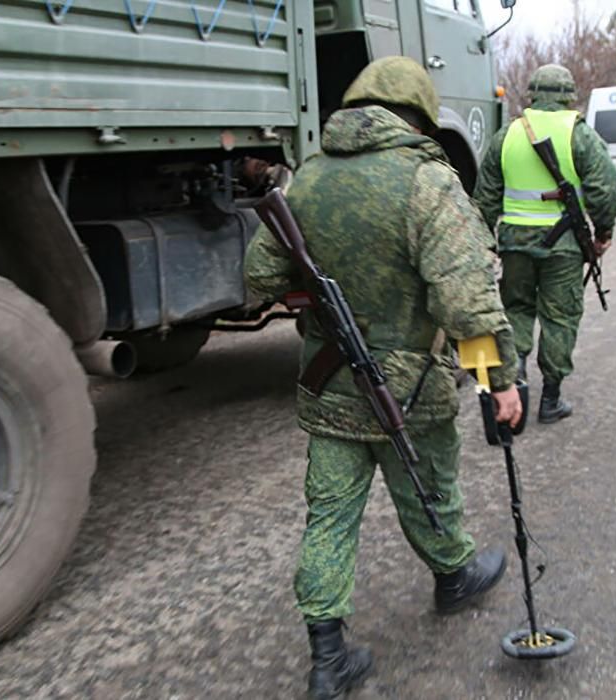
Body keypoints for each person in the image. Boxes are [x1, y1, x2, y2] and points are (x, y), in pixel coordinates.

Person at [243, 56, 523, 700]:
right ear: (421, 115)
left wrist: (308, 296)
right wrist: (497, 381)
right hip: (410, 387)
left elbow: (259, 279)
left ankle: (327, 655)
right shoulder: (429, 182)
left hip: (330, 384)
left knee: (330, 515)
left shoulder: (309, 179)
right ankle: (454, 574)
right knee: (425, 483)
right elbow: (466, 304)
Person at [472, 63, 616, 422]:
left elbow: (484, 198)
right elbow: (605, 190)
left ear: (532, 95)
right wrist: (602, 234)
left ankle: (516, 381)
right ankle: (550, 400)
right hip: (563, 247)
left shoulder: (507, 135)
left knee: (517, 310)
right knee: (560, 316)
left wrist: (485, 243)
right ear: (570, 96)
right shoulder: (580, 134)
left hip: (515, 243)